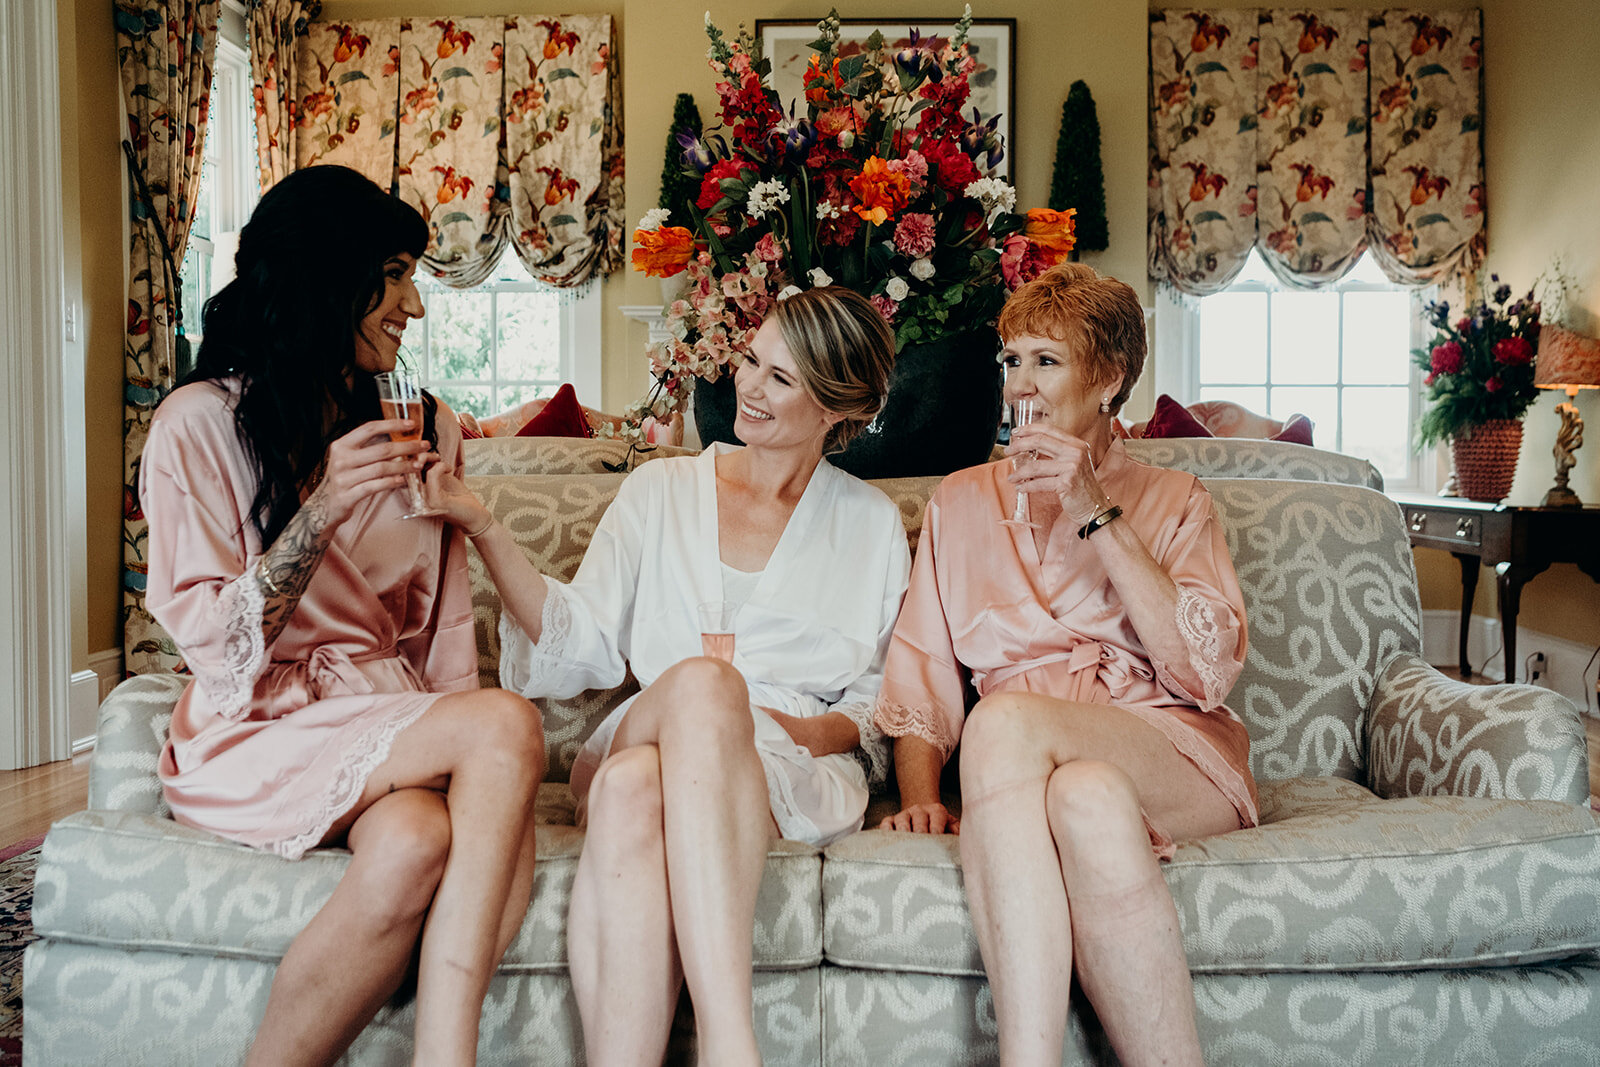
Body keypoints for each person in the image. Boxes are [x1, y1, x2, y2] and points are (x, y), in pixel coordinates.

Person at [428, 286, 910, 1066]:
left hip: (785, 764)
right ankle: (730, 1042)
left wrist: (769, 730)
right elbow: (577, 638)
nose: (749, 387)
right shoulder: (659, 492)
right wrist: (484, 524)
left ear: (834, 408)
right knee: (702, 686)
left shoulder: (871, 525)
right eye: (752, 360)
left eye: (781, 379)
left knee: (628, 792)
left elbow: (878, 703)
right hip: (651, 719)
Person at [139, 164, 546, 1066]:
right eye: (395, 273)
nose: (417, 306)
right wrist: (317, 510)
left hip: (380, 715)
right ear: (329, 276)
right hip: (253, 726)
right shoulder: (196, 426)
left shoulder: (422, 425)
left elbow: (436, 628)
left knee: (413, 841)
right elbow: (214, 647)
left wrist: (454, 756)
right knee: (507, 724)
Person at [874, 262, 1257, 1066]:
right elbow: (923, 670)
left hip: (1167, 747)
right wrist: (917, 796)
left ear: (1109, 379)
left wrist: (1094, 510)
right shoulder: (960, 501)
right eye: (1012, 360)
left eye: (1047, 361)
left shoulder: (1176, 497)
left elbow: (1203, 672)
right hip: (1038, 771)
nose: (1023, 385)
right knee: (1085, 798)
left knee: (1007, 719)